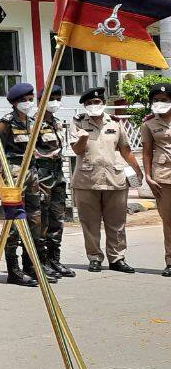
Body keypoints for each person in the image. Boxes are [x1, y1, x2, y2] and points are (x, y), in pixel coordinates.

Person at [70, 86, 143, 273]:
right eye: (90, 103)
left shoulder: (115, 122)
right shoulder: (77, 123)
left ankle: (117, 258)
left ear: (103, 103)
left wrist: (137, 170)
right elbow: (76, 150)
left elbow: (125, 149)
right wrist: (83, 138)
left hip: (115, 178)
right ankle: (94, 258)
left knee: (117, 222)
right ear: (85, 106)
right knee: (90, 222)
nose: (94, 106)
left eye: (97, 102)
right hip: (87, 181)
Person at [0, 83, 55, 286]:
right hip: (13, 175)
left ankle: (32, 266)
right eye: (24, 100)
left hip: (31, 174)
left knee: (35, 220)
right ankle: (14, 270)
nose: (28, 103)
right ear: (14, 102)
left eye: (31, 99)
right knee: (14, 222)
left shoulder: (32, 122)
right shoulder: (5, 123)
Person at [37, 85, 74, 278]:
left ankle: (54, 259)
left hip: (58, 175)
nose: (55, 101)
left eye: (58, 97)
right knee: (41, 220)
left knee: (57, 219)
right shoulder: (32, 123)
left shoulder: (57, 122)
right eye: (51, 97)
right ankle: (41, 261)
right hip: (41, 175)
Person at [139, 82, 171, 277]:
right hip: (163, 178)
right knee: (168, 222)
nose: (160, 103)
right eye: (156, 100)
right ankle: (170, 261)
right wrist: (148, 177)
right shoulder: (148, 124)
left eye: (165, 100)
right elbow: (146, 153)